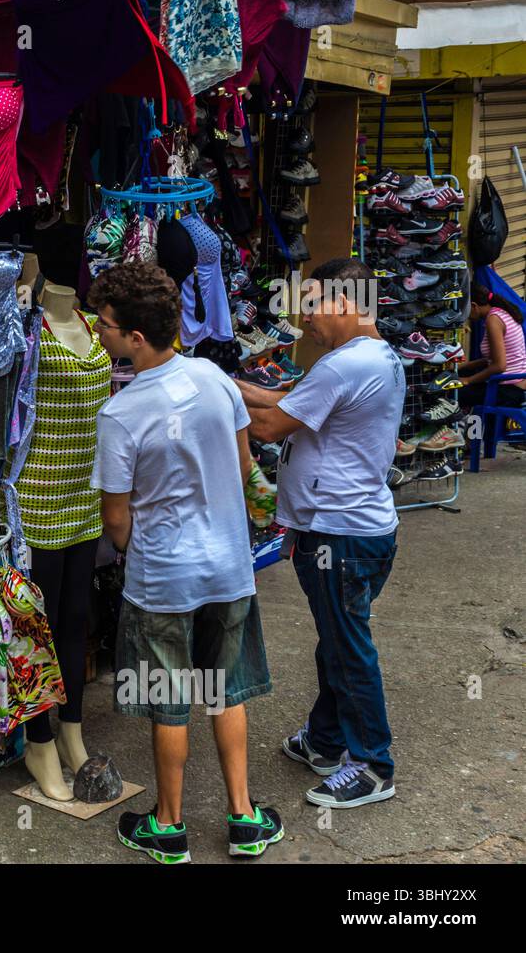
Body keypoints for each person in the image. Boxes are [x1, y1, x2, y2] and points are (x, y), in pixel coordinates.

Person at [89, 261, 282, 864]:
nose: (99, 331)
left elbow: (116, 517)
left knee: (168, 697)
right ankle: (244, 818)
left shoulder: (121, 414)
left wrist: (132, 553)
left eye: (106, 324)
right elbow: (247, 465)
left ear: (134, 339)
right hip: (228, 566)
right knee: (224, 692)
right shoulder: (216, 380)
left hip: (163, 579)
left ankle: (169, 827)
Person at [239, 257, 404, 809]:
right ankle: (327, 740)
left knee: (347, 648)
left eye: (312, 303)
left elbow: (268, 423)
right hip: (357, 530)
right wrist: (229, 382)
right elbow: (286, 401)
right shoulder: (368, 356)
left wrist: (210, 395)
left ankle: (372, 765)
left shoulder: (344, 366)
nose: (302, 316)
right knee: (338, 640)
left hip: (341, 535)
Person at [458, 283, 526, 410]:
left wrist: (468, 380)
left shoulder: (494, 320)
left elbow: (500, 366)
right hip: (515, 384)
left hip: (509, 390)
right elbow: (494, 357)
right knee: (461, 373)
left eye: (464, 310)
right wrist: (465, 365)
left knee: (454, 394)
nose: (465, 316)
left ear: (473, 306)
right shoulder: (501, 313)